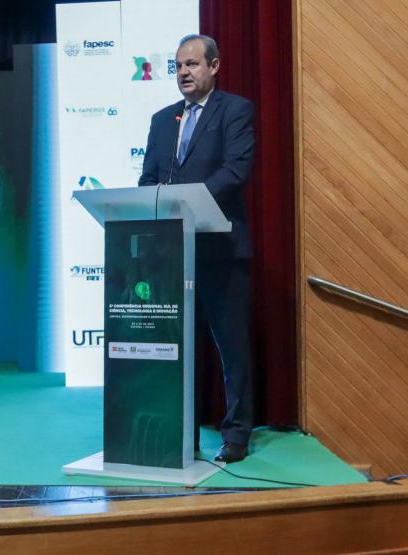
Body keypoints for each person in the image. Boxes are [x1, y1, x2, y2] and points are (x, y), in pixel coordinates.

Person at [138, 34, 255, 463]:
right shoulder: (162, 119)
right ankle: (179, 431)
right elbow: (148, 179)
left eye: (192, 65)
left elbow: (236, 170)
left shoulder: (235, 110)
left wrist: (190, 199)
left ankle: (237, 434)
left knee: (232, 349)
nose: (184, 73)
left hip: (222, 252)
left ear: (214, 66)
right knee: (177, 348)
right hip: (175, 254)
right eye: (178, 67)